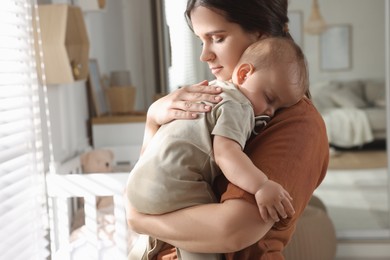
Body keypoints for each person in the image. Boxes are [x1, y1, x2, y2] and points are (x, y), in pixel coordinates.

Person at [125, 0, 329, 259]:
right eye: (201, 41)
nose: (204, 55)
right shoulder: (215, 98)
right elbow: (154, 175)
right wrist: (153, 119)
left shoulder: (297, 123)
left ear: (260, 35)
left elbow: (232, 230)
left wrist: (139, 220)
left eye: (217, 38)